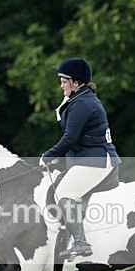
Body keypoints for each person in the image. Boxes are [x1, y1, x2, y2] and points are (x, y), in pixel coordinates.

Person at [40, 57, 121, 259]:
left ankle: (80, 244)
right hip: (88, 158)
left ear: (77, 83)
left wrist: (48, 156)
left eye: (64, 81)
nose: (61, 85)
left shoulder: (83, 104)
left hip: (98, 161)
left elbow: (69, 138)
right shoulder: (78, 99)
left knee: (63, 195)